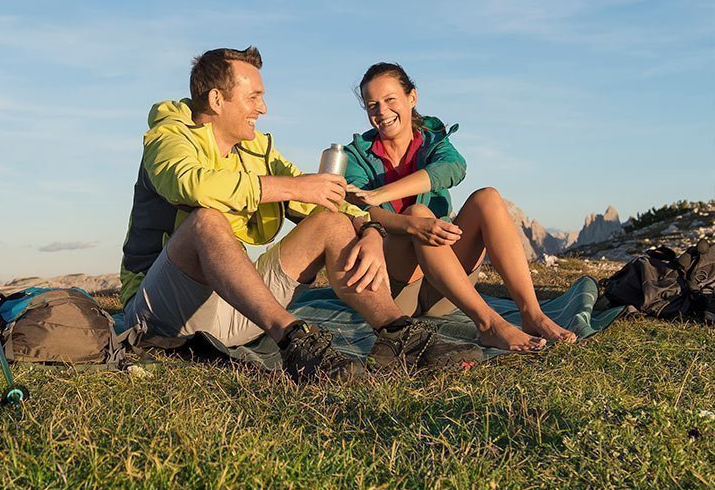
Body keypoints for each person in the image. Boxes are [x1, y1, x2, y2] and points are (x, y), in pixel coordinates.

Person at [120, 47, 482, 381]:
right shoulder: (168, 136)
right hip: (161, 315)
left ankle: (397, 335)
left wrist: (371, 230)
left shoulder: (257, 149)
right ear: (217, 99)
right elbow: (192, 185)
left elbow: (324, 198)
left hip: (236, 310)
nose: (263, 109)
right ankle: (295, 341)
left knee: (331, 222)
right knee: (206, 220)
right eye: (254, 97)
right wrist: (292, 188)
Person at [343, 62, 577, 350]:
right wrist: (412, 225)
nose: (382, 112)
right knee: (417, 213)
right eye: (372, 105)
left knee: (488, 197)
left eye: (390, 100)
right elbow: (362, 211)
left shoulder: (432, 138)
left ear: (411, 98)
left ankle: (532, 314)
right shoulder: (355, 155)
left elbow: (453, 168)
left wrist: (381, 193)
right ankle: (489, 324)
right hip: (399, 291)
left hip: (448, 288)